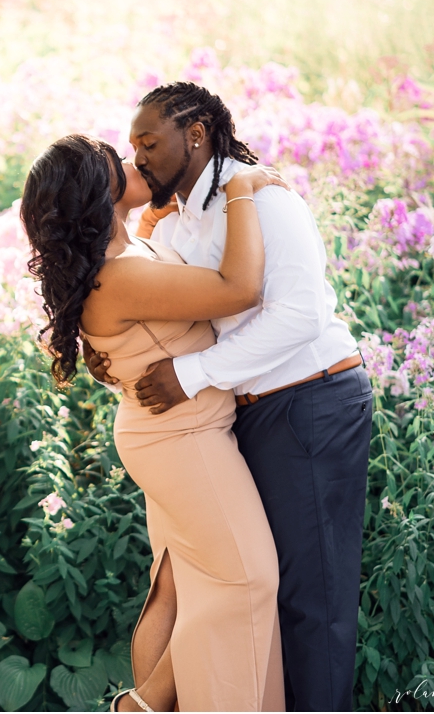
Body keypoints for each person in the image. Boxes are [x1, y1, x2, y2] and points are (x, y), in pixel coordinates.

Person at [83, 82, 374, 712]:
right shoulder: (182, 218)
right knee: (234, 588)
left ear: (196, 134)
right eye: (131, 147)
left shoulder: (263, 196)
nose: (138, 160)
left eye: (148, 143)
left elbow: (298, 316)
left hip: (311, 402)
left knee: (310, 603)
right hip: (246, 417)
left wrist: (193, 376)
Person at [20, 133, 290, 712]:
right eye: (115, 160)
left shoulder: (120, 261)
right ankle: (141, 706)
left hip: (170, 434)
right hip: (181, 440)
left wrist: (148, 221)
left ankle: (145, 704)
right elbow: (237, 290)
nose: (132, 159)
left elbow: (133, 315)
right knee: (248, 579)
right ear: (100, 191)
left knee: (179, 586)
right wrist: (240, 186)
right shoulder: (117, 277)